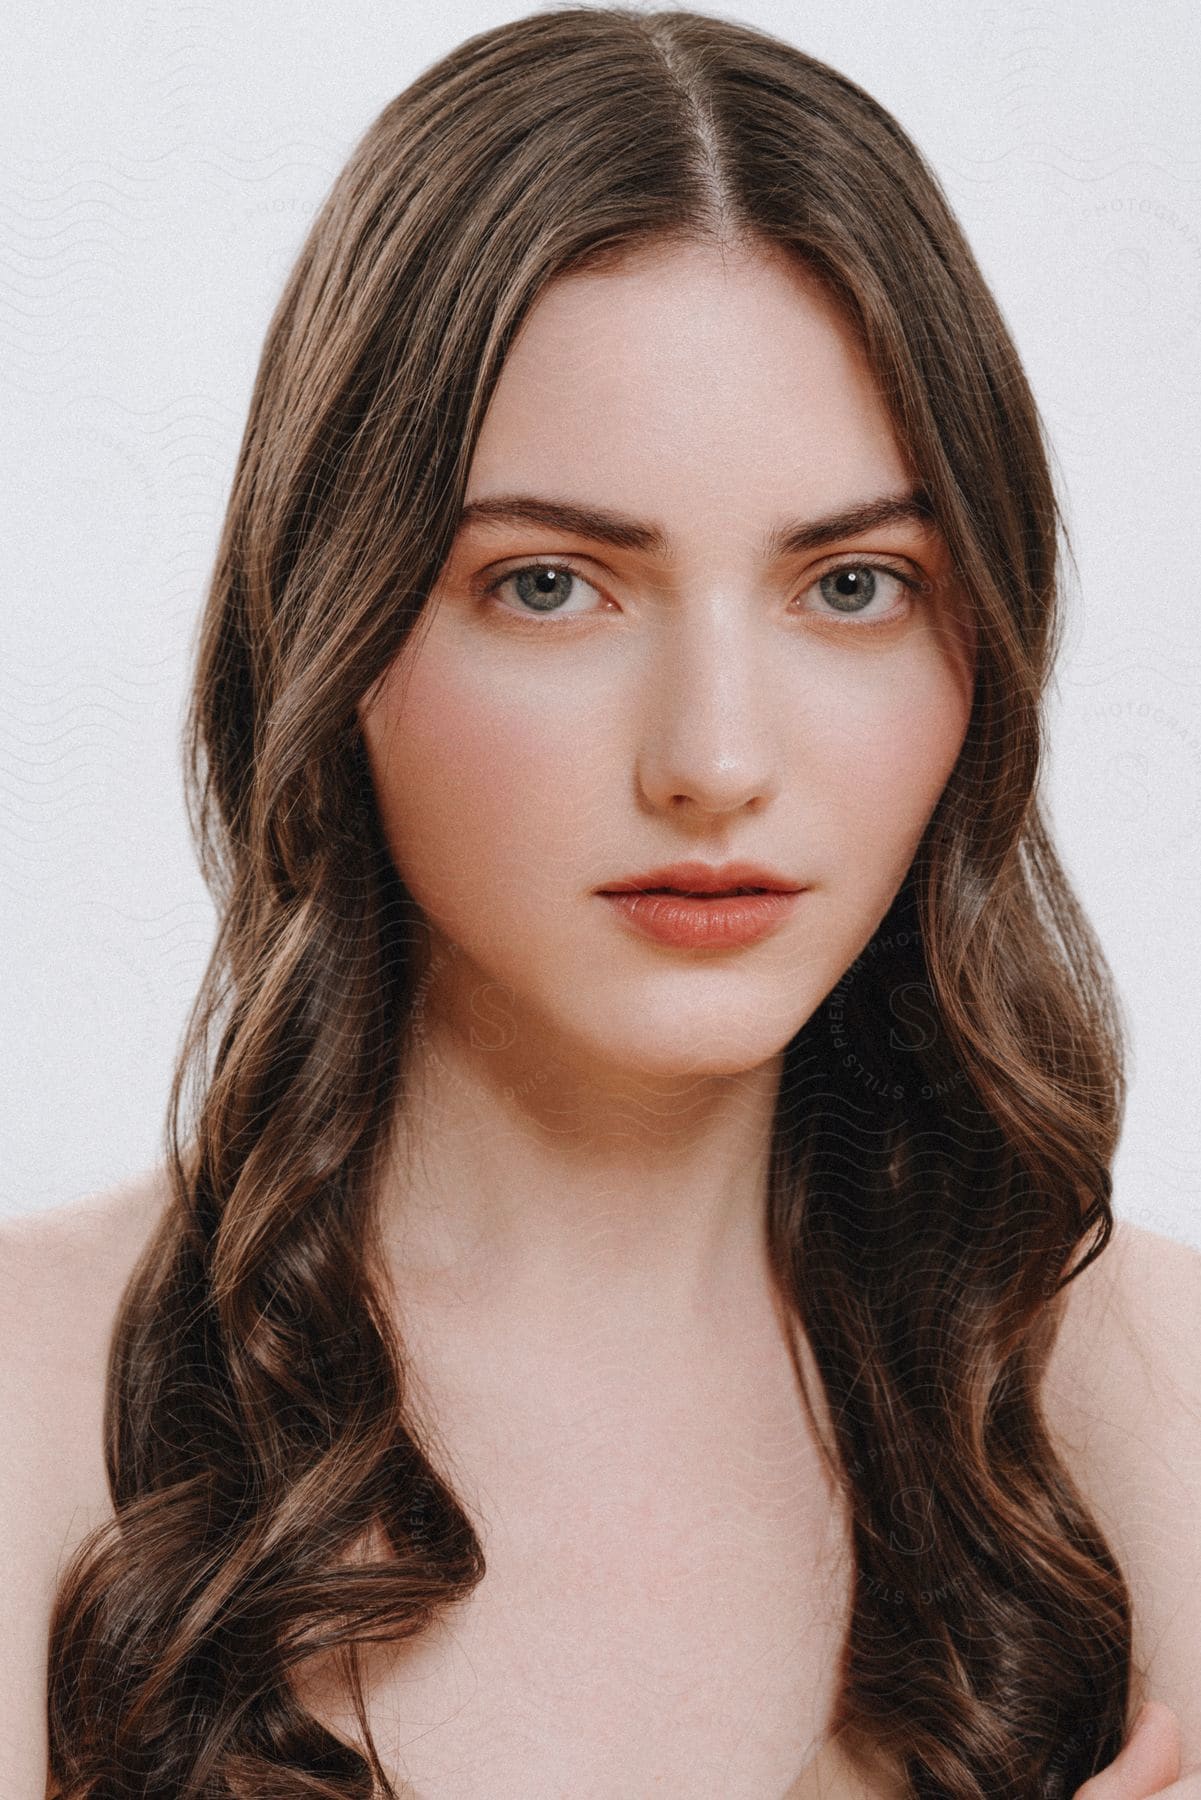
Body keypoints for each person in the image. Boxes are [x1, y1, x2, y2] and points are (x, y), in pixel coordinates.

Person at [3, 6, 1198, 1796]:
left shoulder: (1147, 1413)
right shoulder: (31, 1401)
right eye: (552, 586)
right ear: (335, 628)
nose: (714, 760)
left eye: (853, 584)